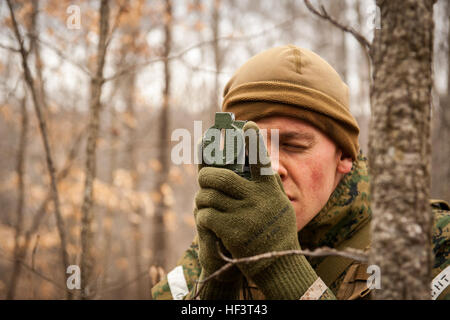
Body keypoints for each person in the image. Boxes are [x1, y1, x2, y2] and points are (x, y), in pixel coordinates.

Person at [151, 45, 450, 300]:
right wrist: (216, 282)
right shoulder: (212, 251)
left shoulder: (427, 243)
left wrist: (280, 269)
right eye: (250, 146)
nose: (270, 166)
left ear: (345, 155)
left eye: (293, 146)